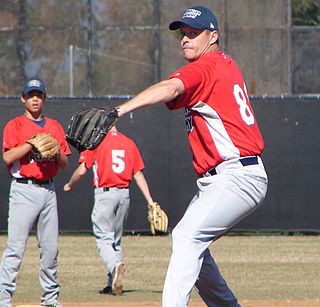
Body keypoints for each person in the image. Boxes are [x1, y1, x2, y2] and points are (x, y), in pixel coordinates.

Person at [111, 5, 268, 307]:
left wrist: (119, 111)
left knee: (185, 237)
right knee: (193, 245)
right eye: (183, 34)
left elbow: (171, 87)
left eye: (194, 33)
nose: (185, 39)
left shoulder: (207, 66)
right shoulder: (221, 65)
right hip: (225, 178)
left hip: (237, 175)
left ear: (213, 36)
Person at [0, 77, 71, 307]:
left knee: (51, 249)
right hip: (23, 191)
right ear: (23, 98)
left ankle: (50, 299)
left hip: (49, 190)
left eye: (38, 96)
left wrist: (55, 152)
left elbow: (64, 163)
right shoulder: (15, 126)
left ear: (44, 99)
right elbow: (8, 157)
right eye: (30, 95)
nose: (34, 99)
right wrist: (31, 144)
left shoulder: (55, 126)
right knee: (15, 248)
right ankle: (3, 298)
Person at [63, 125, 155, 296]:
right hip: (124, 195)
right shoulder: (129, 142)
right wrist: (150, 201)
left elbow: (82, 170)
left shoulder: (96, 142)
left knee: (103, 238)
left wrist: (70, 184)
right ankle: (112, 284)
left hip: (105, 194)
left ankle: (115, 267)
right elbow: (138, 174)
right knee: (116, 241)